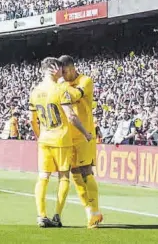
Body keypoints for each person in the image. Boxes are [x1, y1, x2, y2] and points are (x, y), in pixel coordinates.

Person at [29, 57, 92, 228]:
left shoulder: (34, 91)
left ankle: (41, 215)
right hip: (61, 139)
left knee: (43, 177)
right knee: (63, 177)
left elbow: (32, 120)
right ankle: (57, 215)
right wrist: (86, 133)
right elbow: (71, 116)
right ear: (55, 69)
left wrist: (39, 136)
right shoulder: (60, 89)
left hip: (44, 139)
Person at [59, 54, 103, 229]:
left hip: (85, 134)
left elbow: (75, 96)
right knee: (75, 174)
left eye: (64, 72)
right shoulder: (63, 84)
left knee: (86, 171)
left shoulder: (85, 81)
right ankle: (89, 213)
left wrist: (58, 89)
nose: (62, 76)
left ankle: (96, 210)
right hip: (69, 135)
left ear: (71, 68)